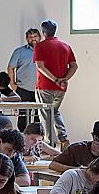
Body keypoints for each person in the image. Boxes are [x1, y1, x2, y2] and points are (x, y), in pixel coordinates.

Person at [33, 18, 77, 146]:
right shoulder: (65, 46)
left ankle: (49, 144)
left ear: (43, 32)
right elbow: (74, 66)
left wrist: (55, 80)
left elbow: (40, 66)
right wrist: (64, 79)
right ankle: (63, 138)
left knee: (45, 115)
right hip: (61, 88)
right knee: (55, 112)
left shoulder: (40, 46)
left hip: (45, 86)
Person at [7, 27, 41, 111]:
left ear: (40, 37)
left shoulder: (46, 51)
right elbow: (10, 68)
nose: (33, 39)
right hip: (23, 89)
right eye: (30, 37)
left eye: (35, 36)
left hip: (41, 89)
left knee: (40, 116)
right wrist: (12, 84)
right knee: (23, 116)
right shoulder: (19, 51)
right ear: (27, 39)